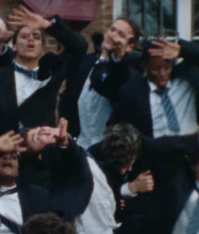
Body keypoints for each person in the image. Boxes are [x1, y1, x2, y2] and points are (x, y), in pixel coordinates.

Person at [0, 5, 88, 136]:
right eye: (24, 36)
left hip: (40, 149)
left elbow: (80, 47)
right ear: (14, 46)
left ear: (42, 49)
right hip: (4, 150)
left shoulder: (53, 72)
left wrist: (47, 25)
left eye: (37, 37)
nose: (31, 39)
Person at [108, 37, 199, 138]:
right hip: (156, 157)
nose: (162, 74)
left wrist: (184, 50)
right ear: (146, 67)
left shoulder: (190, 80)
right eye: (156, 69)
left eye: (167, 68)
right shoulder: (132, 92)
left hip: (193, 155)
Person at [60, 17, 142, 149]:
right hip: (79, 142)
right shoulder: (86, 61)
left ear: (130, 45)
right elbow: (69, 96)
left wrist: (111, 58)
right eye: (112, 29)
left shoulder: (129, 70)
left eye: (120, 34)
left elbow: (110, 86)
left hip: (108, 146)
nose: (113, 35)